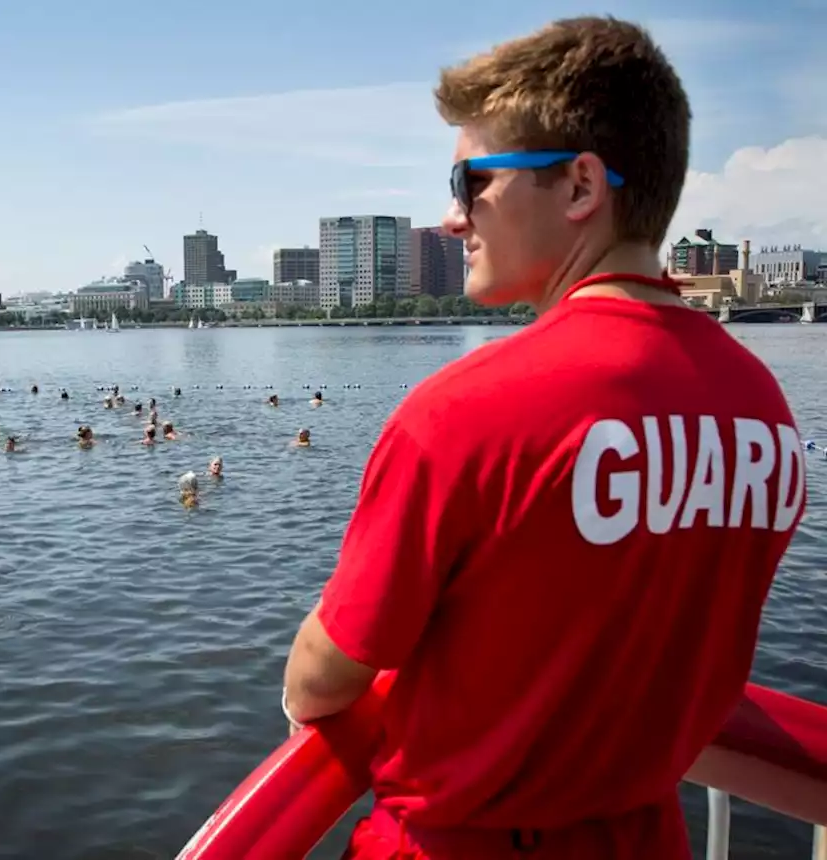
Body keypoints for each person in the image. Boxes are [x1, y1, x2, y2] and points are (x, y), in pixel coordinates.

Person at [281, 17, 806, 860]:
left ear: (579, 187)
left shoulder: (462, 413)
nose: (454, 219)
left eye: (470, 180)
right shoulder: (765, 412)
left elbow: (324, 675)